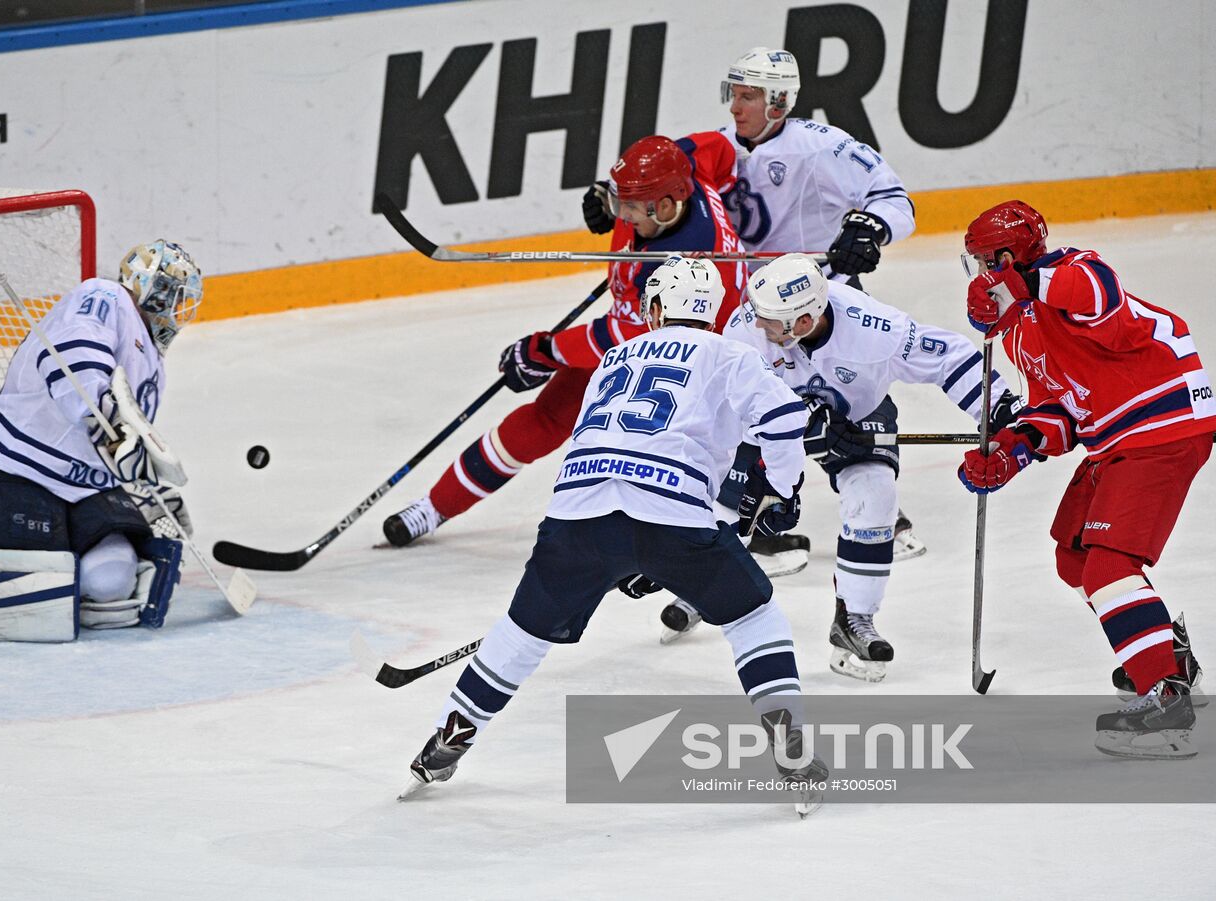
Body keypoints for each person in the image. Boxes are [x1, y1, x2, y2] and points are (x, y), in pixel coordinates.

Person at [397, 256, 827, 814]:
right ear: (715, 309)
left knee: (521, 635)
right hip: (671, 512)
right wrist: (785, 489)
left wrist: (628, 556)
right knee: (753, 617)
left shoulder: (613, 359)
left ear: (653, 310)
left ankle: (444, 742)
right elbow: (784, 420)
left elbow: (614, 452)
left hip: (575, 516)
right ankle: (791, 751)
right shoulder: (730, 353)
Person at [664, 253, 1020, 680]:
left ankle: (853, 618)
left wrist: (997, 408)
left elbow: (949, 357)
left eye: (771, 320)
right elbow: (727, 407)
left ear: (804, 321)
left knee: (876, 497)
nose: (758, 324)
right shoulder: (746, 329)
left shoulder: (876, 329)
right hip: (767, 427)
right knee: (730, 505)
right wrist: (799, 427)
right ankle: (700, 586)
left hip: (857, 418)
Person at [383, 135, 747, 547]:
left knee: (646, 456)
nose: (621, 214)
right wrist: (604, 192)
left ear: (667, 205)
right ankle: (435, 506)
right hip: (648, 326)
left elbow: (618, 337)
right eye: (618, 201)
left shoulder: (680, 268)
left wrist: (543, 351)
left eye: (629, 207)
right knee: (544, 419)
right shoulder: (687, 168)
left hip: (688, 360)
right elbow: (720, 148)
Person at [958, 200, 1214, 759]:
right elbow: (1060, 411)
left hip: (1163, 426)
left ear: (1007, 256)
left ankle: (1167, 702)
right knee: (1073, 557)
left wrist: (1024, 280)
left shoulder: (1075, 274)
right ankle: (1169, 655)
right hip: (1118, 440)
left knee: (1109, 568)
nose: (978, 275)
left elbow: (1097, 294)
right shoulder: (1020, 333)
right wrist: (1013, 449)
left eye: (983, 262)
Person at [678, 46, 924, 574]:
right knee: (749, 409)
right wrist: (612, 196)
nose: (736, 107)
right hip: (754, 307)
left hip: (823, 300)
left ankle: (877, 505)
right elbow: (664, 179)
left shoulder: (823, 146)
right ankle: (764, 521)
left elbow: (895, 200)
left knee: (842, 401)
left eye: (749, 96)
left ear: (779, 102)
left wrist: (869, 228)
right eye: (734, 94)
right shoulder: (715, 146)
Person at [0, 240, 203, 630]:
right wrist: (102, 417)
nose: (175, 306)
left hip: (81, 489)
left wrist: (142, 481)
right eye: (170, 292)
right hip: (15, 469)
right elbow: (75, 354)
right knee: (30, 589)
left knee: (110, 584)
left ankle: (74, 564)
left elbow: (117, 441)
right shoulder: (105, 296)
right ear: (146, 284)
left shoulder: (153, 361)